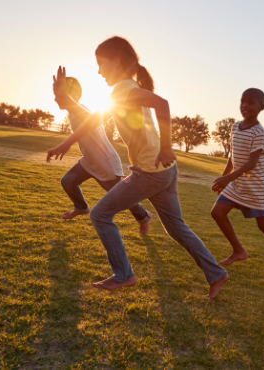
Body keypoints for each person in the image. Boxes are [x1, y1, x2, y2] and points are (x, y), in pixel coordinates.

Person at [47, 36, 228, 298]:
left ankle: (124, 275)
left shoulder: (122, 89)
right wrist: (66, 142)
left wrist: (166, 145)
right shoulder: (124, 89)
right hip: (165, 171)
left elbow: (162, 104)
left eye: (101, 64)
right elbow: (93, 120)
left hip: (149, 172)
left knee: (99, 215)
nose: (98, 71)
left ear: (116, 60)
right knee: (176, 228)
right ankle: (217, 274)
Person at [55, 77, 151, 234]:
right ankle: (81, 207)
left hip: (105, 162)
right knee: (67, 181)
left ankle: (144, 217)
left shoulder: (80, 110)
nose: (56, 98)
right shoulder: (73, 113)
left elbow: (89, 119)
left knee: (123, 197)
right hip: (89, 161)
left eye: (60, 94)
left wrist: (66, 143)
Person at [211, 88, 264, 275]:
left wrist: (227, 179)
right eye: (242, 101)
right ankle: (239, 251)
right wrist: (224, 178)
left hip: (255, 187)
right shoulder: (235, 127)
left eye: (250, 102)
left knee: (263, 225)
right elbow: (233, 155)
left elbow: (252, 162)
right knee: (217, 213)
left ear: (261, 107)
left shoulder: (259, 133)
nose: (245, 106)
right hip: (235, 182)